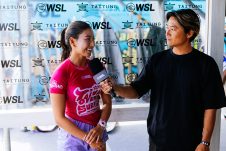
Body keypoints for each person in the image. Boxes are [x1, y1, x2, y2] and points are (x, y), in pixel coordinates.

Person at [100, 9, 226, 151]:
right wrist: (115, 87)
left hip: (191, 143)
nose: (167, 33)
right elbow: (136, 91)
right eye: (167, 28)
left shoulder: (206, 65)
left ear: (189, 33)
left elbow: (211, 106)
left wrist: (205, 142)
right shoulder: (157, 60)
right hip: (158, 142)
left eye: (173, 29)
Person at [49, 21, 112, 151]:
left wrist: (100, 127)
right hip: (73, 138)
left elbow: (107, 102)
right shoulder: (61, 72)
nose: (93, 44)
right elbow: (59, 118)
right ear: (73, 42)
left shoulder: (97, 67)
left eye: (93, 39)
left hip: (97, 133)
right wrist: (87, 139)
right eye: (88, 39)